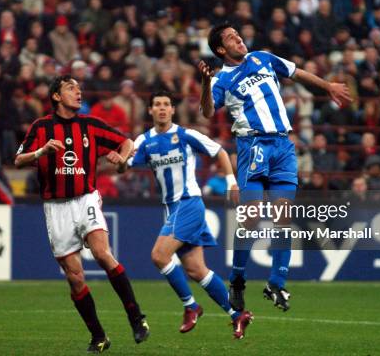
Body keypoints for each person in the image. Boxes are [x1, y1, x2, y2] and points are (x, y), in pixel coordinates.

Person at [199, 23, 352, 312]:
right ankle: (237, 280)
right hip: (252, 147)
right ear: (221, 49)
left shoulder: (263, 58)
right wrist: (206, 84)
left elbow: (297, 72)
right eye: (231, 37)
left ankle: (277, 282)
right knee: (252, 217)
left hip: (282, 146)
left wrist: (328, 86)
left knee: (284, 216)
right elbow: (207, 111)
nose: (238, 38)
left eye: (237, 34)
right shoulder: (222, 80)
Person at [14, 75, 149, 353]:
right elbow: (18, 160)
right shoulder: (41, 127)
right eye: (70, 88)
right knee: (75, 277)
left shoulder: (90, 125)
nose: (78, 92)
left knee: (102, 253)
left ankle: (137, 319)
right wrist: (41, 151)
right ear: (56, 96)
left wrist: (122, 160)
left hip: (85, 198)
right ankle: (99, 335)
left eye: (79, 88)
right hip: (56, 207)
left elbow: (126, 143)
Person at [122, 90, 253, 339]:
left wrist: (231, 182)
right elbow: (124, 164)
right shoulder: (143, 141)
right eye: (157, 105)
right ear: (150, 110)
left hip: (189, 203)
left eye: (166, 105)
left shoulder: (185, 135)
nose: (162, 108)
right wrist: (117, 160)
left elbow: (220, 152)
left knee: (159, 256)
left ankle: (191, 306)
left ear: (173, 110)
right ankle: (238, 315)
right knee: (196, 270)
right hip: (173, 208)